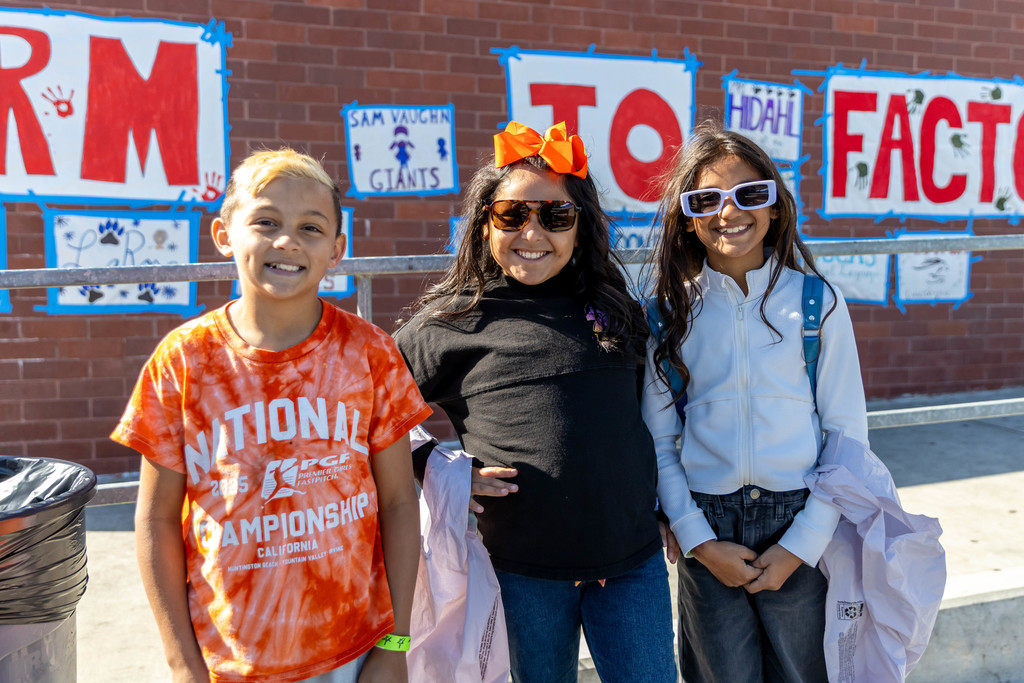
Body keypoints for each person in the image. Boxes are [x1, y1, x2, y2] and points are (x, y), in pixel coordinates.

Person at [111, 149, 432, 683]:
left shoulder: (370, 353)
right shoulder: (184, 361)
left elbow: (400, 503)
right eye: (265, 221)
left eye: (311, 227)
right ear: (223, 234)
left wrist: (394, 644)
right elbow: (155, 519)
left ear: (337, 248)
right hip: (229, 657)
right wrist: (181, 662)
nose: (287, 241)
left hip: (352, 650)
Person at [393, 121, 677, 682]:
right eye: (511, 215)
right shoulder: (450, 324)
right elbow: (370, 417)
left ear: (581, 229)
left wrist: (673, 505)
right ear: (482, 225)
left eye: (555, 216)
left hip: (632, 565)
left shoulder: (616, 308)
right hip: (520, 574)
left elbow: (651, 419)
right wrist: (437, 467)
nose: (533, 231)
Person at [642, 122, 869, 683]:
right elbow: (659, 442)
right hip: (707, 529)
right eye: (706, 199)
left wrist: (804, 541)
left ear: (774, 205)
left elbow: (847, 437)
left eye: (749, 194)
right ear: (686, 217)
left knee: (804, 674)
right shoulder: (665, 316)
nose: (729, 212)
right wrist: (696, 540)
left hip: (799, 523)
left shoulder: (817, 303)